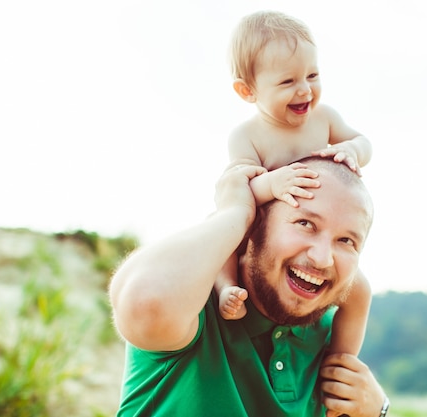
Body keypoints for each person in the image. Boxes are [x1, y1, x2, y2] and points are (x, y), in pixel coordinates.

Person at [109, 157, 390, 416]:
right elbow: (144, 304)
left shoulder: (334, 339)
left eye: (347, 241)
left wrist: (379, 412)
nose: (322, 257)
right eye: (305, 223)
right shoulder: (193, 302)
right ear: (256, 226)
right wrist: (236, 212)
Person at [216, 10, 373, 358]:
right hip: (260, 234)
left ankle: (340, 362)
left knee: (360, 291)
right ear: (248, 91)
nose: (305, 89)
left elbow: (365, 143)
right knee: (223, 235)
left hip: (314, 226)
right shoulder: (247, 136)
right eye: (287, 82)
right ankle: (225, 286)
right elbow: (239, 192)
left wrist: (351, 149)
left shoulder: (325, 117)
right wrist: (272, 183)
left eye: (312, 75)